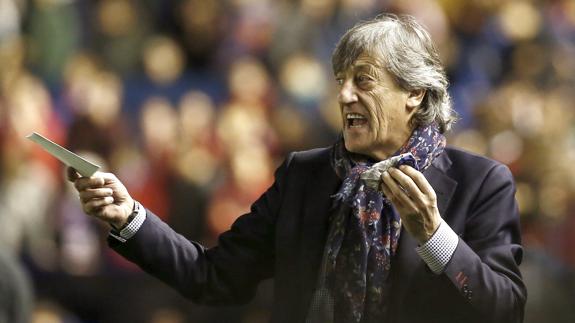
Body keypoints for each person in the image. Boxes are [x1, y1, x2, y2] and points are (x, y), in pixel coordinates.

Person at [68, 14, 526, 323]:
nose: (345, 95)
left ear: (416, 95)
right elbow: (213, 277)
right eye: (340, 81)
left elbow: (505, 309)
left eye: (363, 80)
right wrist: (129, 217)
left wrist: (435, 238)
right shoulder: (306, 176)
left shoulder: (480, 183)